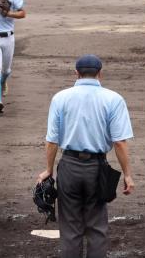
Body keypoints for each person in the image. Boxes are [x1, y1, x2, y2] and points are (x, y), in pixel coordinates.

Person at [38, 54, 134, 258]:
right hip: (97, 168)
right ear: (100, 73)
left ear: (76, 73)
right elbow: (119, 142)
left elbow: (52, 141)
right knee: (97, 227)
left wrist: (48, 169)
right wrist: (127, 174)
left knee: (70, 229)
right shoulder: (113, 99)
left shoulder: (60, 98)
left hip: (69, 167)